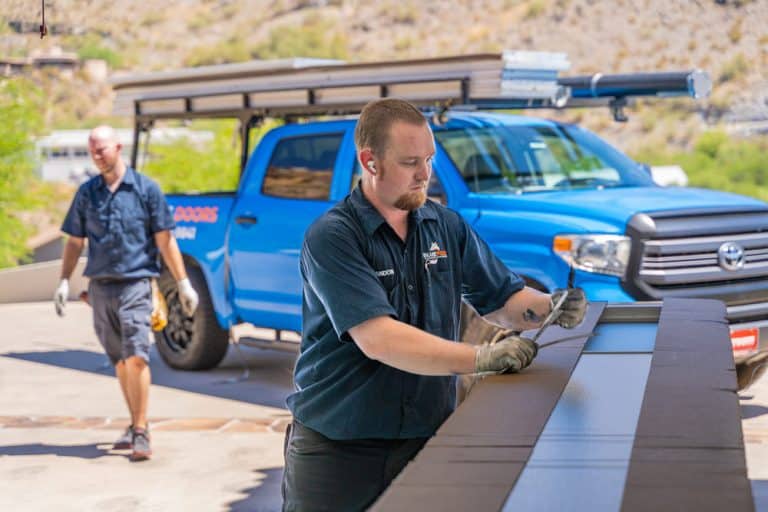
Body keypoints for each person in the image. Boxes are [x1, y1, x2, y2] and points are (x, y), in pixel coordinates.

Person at [282, 98, 587, 511]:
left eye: (429, 158)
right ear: (370, 162)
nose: (425, 174)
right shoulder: (333, 237)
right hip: (339, 446)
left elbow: (503, 299)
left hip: (426, 437)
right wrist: (481, 358)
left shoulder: (445, 226)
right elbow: (379, 338)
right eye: (410, 162)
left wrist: (548, 306)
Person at [53, 126, 199, 462]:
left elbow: (165, 239)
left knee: (137, 356)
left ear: (118, 147)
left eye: (101, 149)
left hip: (137, 284)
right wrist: (63, 280)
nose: (97, 156)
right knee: (120, 361)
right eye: (92, 151)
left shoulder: (146, 190)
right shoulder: (87, 193)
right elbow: (75, 241)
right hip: (101, 288)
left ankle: (142, 428)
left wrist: (183, 282)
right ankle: (134, 423)